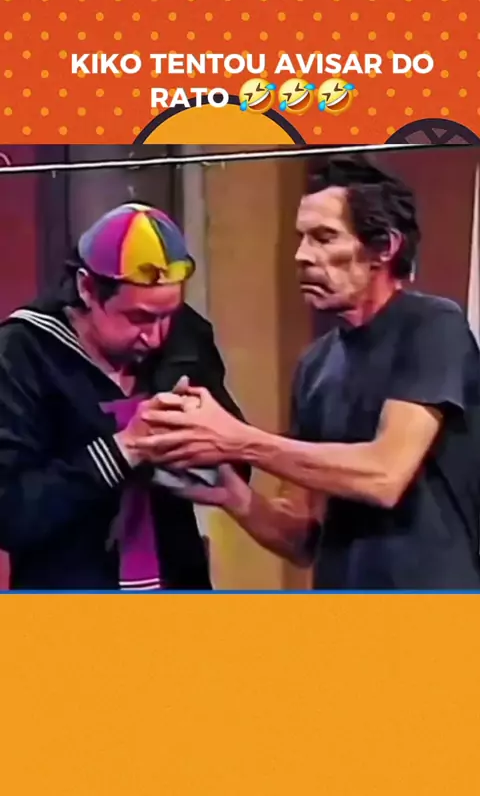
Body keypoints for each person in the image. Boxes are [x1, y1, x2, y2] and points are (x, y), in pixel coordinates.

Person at [128, 155, 480, 591]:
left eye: (324, 237)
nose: (302, 255)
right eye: (301, 238)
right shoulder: (316, 364)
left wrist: (237, 439)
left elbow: (385, 474)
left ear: (383, 248)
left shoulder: (431, 327)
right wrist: (228, 490)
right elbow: (302, 539)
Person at [0, 203, 248, 591]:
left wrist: (207, 445)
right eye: (139, 318)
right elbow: (11, 514)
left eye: (168, 315)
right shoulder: (22, 353)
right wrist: (124, 449)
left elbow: (235, 468)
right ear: (87, 288)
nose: (156, 336)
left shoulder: (185, 337)